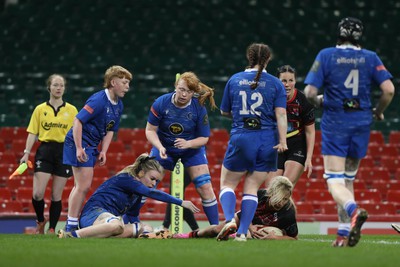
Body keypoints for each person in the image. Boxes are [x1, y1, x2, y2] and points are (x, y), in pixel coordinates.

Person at [304, 17, 395, 247]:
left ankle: (354, 211)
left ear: (339, 33)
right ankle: (344, 233)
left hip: (337, 123)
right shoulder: (370, 57)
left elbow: (309, 92)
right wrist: (378, 112)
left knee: (334, 180)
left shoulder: (326, 55)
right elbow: (388, 91)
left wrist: (322, 101)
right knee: (348, 178)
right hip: (362, 123)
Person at [217, 43, 288, 242]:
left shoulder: (235, 79)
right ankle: (241, 234)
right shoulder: (275, 83)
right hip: (268, 141)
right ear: (268, 59)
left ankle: (231, 219)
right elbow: (281, 114)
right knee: (252, 187)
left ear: (249, 57)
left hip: (242, 136)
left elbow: (224, 111)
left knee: (228, 184)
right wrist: (282, 140)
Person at [58, 154, 199, 238]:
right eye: (153, 178)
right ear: (142, 173)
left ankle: (95, 235)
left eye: (156, 181)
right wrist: (180, 202)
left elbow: (132, 216)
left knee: (146, 228)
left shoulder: (137, 194)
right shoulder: (127, 179)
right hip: (93, 215)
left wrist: (142, 232)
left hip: (106, 220)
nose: (154, 183)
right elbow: (151, 193)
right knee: (117, 225)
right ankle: (72, 235)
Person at [63, 65, 133, 232]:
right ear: (113, 82)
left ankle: (71, 222)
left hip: (92, 144)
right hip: (79, 142)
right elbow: (78, 121)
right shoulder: (98, 100)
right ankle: (71, 224)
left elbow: (110, 129)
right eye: (124, 83)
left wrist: (103, 151)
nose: (127, 87)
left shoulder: (119, 104)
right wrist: (79, 148)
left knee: (82, 185)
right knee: (83, 185)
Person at [145, 72, 219, 226]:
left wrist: (188, 144)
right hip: (164, 147)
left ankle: (215, 228)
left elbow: (204, 138)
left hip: (191, 149)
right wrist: (159, 147)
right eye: (181, 89)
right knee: (145, 183)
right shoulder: (161, 103)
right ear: (175, 87)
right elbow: (150, 130)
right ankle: (130, 220)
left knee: (205, 185)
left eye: (189, 91)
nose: (184, 94)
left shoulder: (198, 107)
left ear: (194, 92)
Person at [19, 74, 78, 234]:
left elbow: (77, 132)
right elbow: (32, 132)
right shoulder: (40, 109)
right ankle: (40, 220)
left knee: (56, 195)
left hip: (64, 152)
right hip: (44, 151)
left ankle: (52, 228)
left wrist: (78, 151)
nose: (59, 88)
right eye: (55, 85)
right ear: (49, 88)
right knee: (37, 194)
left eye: (61, 85)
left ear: (64, 89)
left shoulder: (72, 110)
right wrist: (26, 153)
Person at [174, 176, 297, 240]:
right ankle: (189, 235)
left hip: (265, 228)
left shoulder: (288, 212)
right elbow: (245, 213)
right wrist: (249, 226)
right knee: (217, 230)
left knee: (251, 236)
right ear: (271, 193)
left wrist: (276, 238)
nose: (282, 202)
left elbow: (294, 238)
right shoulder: (260, 195)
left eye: (285, 199)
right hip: (247, 219)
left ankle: (236, 235)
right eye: (280, 198)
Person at [266, 65, 315, 187]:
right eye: (283, 81)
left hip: (297, 144)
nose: (287, 84)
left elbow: (310, 132)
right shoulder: (269, 98)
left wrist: (309, 158)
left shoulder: (303, 100)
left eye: (291, 80)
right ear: (277, 81)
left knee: (284, 187)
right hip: (276, 145)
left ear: (295, 81)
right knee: (271, 189)